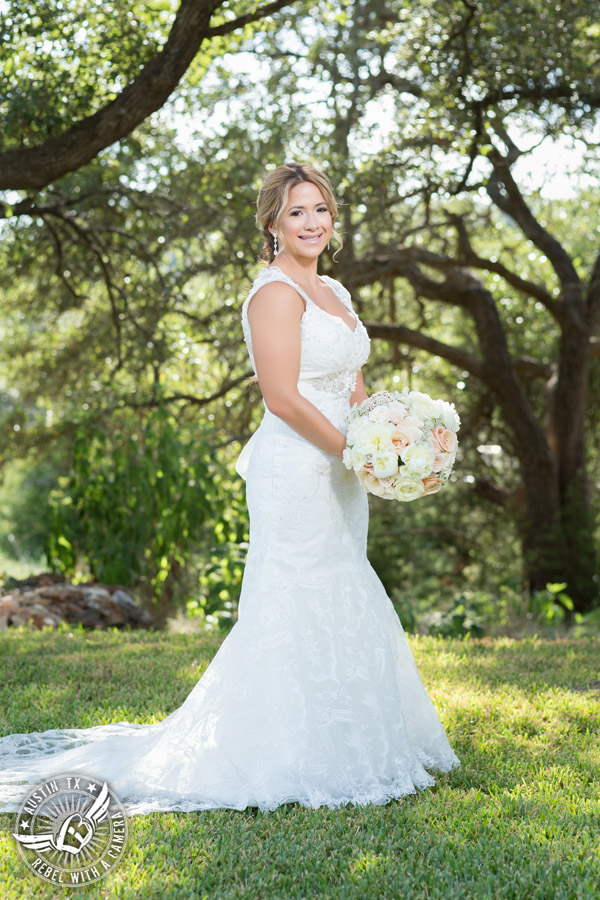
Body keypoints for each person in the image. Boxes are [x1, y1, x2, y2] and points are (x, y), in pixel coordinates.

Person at [0, 163, 459, 816]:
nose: (312, 223)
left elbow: (353, 381)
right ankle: (278, 750)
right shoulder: (273, 294)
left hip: (343, 466)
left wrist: (388, 442)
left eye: (321, 209)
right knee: (297, 592)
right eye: (297, 212)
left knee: (343, 583)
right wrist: (351, 451)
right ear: (273, 221)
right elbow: (282, 396)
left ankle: (349, 738)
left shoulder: (334, 290)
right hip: (298, 466)